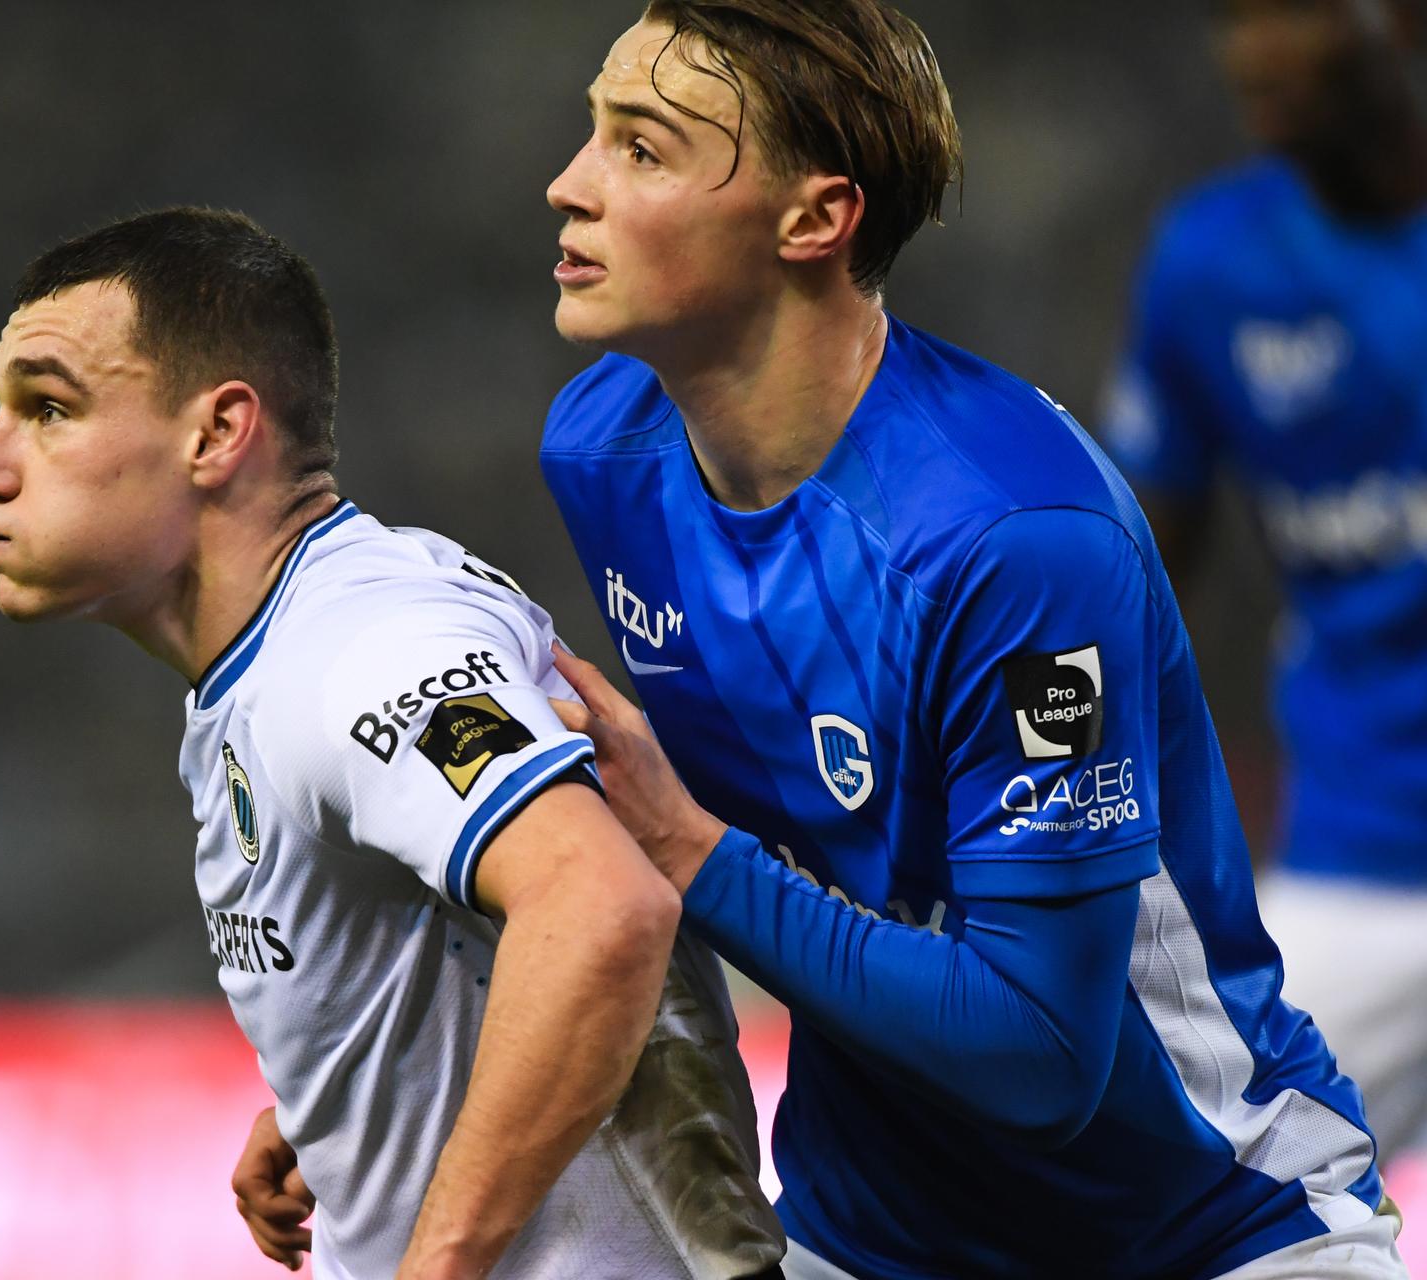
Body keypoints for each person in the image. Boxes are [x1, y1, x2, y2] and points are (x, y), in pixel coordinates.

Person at [519, 1, 1405, 1276]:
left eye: (641, 148)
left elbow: (1038, 1054)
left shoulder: (1009, 535)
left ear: (816, 219)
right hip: (869, 1240)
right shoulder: (601, 451)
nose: (570, 182)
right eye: (592, 130)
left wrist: (688, 849)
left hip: (1211, 1233)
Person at [0, 208, 787, 1279]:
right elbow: (473, 928)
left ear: (216, 434)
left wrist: (432, 1264)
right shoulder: (299, 643)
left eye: (48, 408)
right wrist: (349, 1096)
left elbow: (600, 910)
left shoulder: (362, 647)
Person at [1101, 0, 1427, 1176]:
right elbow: (1134, 578)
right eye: (1234, 16)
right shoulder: (1213, 263)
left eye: (1292, 8)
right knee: (1199, 1194)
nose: (1254, 48)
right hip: (1368, 845)